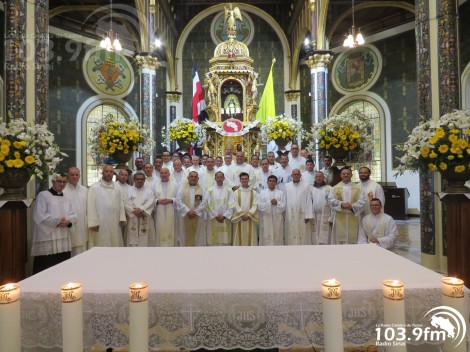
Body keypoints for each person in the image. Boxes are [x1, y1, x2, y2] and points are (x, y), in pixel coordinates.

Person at [32, 173, 77, 274]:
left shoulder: (67, 197)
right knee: (46, 268)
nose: (62, 184)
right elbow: (40, 215)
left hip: (63, 237)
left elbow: (73, 214)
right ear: (53, 181)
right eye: (59, 181)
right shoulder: (43, 195)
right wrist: (57, 221)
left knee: (63, 267)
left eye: (64, 182)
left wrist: (69, 221)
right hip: (48, 237)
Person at [88, 165, 126, 247]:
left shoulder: (118, 187)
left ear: (113, 174)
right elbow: (90, 206)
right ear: (102, 172)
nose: (109, 173)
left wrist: (122, 218)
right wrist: (93, 223)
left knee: (115, 242)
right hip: (100, 222)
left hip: (114, 221)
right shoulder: (94, 187)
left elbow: (121, 203)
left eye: (111, 172)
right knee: (101, 242)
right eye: (107, 171)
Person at [327, 167, 366, 244]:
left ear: (351, 175)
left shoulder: (358, 188)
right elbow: (330, 200)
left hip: (353, 215)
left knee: (353, 239)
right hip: (339, 216)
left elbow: (363, 200)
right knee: (339, 240)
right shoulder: (335, 188)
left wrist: (352, 206)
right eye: (344, 174)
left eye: (348, 174)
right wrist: (341, 204)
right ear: (341, 175)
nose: (346, 175)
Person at [176, 171, 208, 246]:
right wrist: (187, 211)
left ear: (198, 178)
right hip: (185, 216)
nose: (193, 178)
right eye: (191, 176)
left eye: (195, 177)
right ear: (188, 178)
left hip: (198, 217)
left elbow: (205, 201)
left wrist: (196, 211)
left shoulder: (202, 189)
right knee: (184, 235)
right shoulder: (182, 188)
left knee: (198, 236)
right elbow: (178, 200)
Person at [124, 172, 156, 247]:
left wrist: (141, 210)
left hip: (145, 217)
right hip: (132, 218)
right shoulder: (128, 190)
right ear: (134, 180)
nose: (139, 181)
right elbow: (125, 202)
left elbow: (151, 202)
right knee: (132, 239)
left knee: (146, 239)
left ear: (144, 180)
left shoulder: (149, 191)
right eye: (137, 179)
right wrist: (134, 211)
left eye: (141, 179)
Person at [63, 167, 88, 256]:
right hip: (70, 226)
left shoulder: (84, 190)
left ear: (79, 176)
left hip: (82, 225)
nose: (74, 177)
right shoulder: (63, 190)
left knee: (83, 251)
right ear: (67, 176)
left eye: (76, 175)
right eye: (72, 175)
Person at [284, 169, 313, 245]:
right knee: (291, 233)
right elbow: (285, 200)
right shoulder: (287, 186)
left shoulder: (306, 186)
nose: (296, 176)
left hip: (302, 214)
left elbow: (309, 200)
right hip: (290, 214)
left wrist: (308, 215)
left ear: (300, 175)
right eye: (294, 174)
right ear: (291, 176)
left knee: (303, 234)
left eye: (297, 174)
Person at [206, 171, 235, 246]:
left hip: (225, 219)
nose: (219, 179)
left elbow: (231, 204)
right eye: (217, 177)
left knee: (225, 241)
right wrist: (215, 216)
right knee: (214, 242)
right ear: (215, 179)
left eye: (221, 177)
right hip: (214, 218)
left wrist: (224, 216)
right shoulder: (210, 190)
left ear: (224, 178)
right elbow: (208, 204)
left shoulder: (229, 190)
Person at [258, 175, 286, 245]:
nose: (272, 182)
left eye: (273, 181)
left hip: (277, 218)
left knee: (277, 235)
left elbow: (284, 206)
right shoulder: (262, 193)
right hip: (266, 218)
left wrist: (277, 202)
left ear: (276, 183)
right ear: (267, 182)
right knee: (266, 235)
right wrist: (269, 203)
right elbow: (259, 206)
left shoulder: (281, 193)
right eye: (270, 181)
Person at [232, 172, 258, 246]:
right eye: (242, 179)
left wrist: (249, 215)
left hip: (250, 218)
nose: (244, 180)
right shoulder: (236, 192)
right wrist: (242, 214)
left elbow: (255, 204)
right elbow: (235, 204)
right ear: (240, 180)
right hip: (239, 218)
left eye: (246, 179)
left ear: (248, 180)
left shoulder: (254, 192)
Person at [154, 167, 178, 246]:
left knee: (171, 230)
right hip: (159, 212)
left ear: (169, 174)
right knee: (160, 230)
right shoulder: (155, 185)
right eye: (162, 173)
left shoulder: (175, 185)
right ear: (159, 174)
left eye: (165, 173)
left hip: (172, 212)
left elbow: (180, 199)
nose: (163, 175)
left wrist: (171, 200)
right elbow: (151, 199)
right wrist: (157, 201)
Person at [311, 171, 332, 245]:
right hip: (314, 216)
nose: (318, 178)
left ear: (324, 178)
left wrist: (331, 217)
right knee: (314, 236)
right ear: (314, 178)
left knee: (325, 237)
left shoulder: (329, 188)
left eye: (320, 176)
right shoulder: (311, 188)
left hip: (326, 216)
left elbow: (332, 203)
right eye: (317, 177)